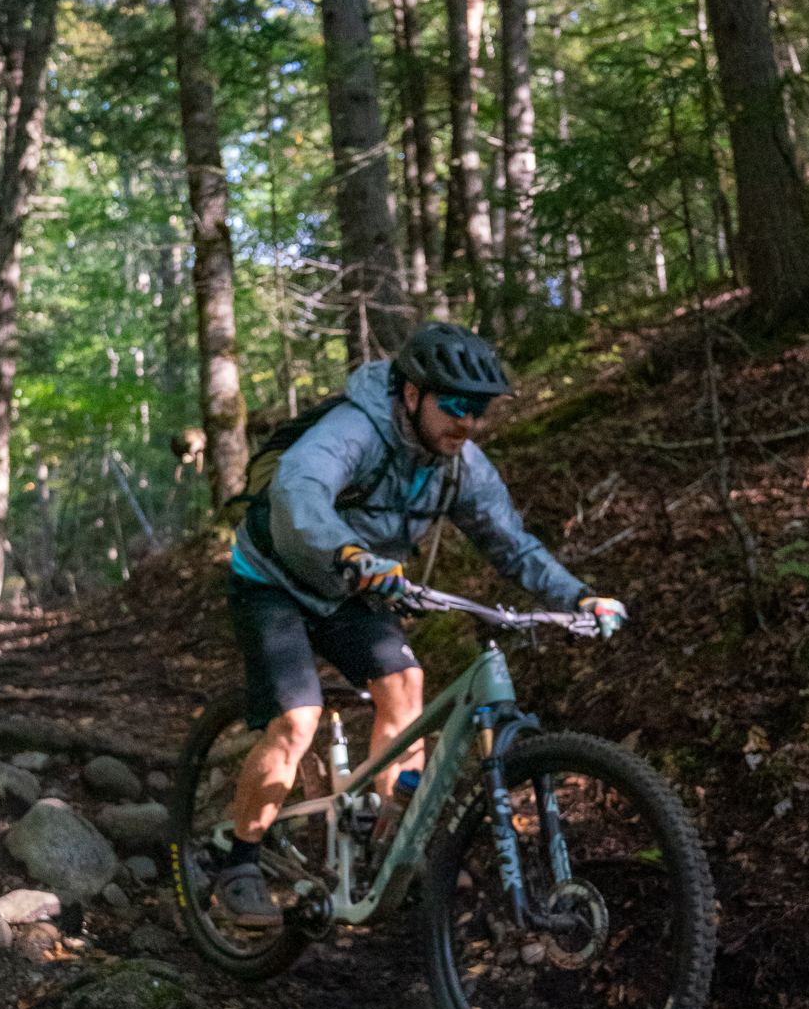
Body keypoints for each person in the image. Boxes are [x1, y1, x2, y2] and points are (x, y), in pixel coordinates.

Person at [211, 319, 624, 930]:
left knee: (405, 686)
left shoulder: (459, 464)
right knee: (296, 721)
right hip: (275, 579)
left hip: (355, 586)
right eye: (455, 406)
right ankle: (238, 865)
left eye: (479, 410)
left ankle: (386, 847)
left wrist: (581, 596)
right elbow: (299, 493)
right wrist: (348, 552)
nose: (467, 422)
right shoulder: (355, 429)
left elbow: (511, 544)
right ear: (412, 395)